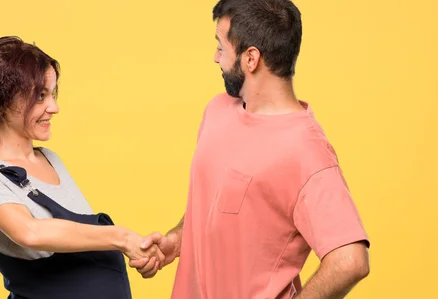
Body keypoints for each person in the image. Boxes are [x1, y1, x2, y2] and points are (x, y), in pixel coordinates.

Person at [129, 0, 371, 298]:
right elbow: (214, 204)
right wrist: (177, 239)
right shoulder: (217, 111)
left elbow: (351, 261)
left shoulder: (307, 151)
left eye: (221, 46)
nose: (215, 57)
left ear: (250, 58)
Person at [0, 36, 163, 299]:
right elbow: (30, 233)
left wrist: (140, 253)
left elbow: (82, 245)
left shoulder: (50, 159)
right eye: (39, 96)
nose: (54, 107)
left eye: (52, 94)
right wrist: (122, 238)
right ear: (3, 102)